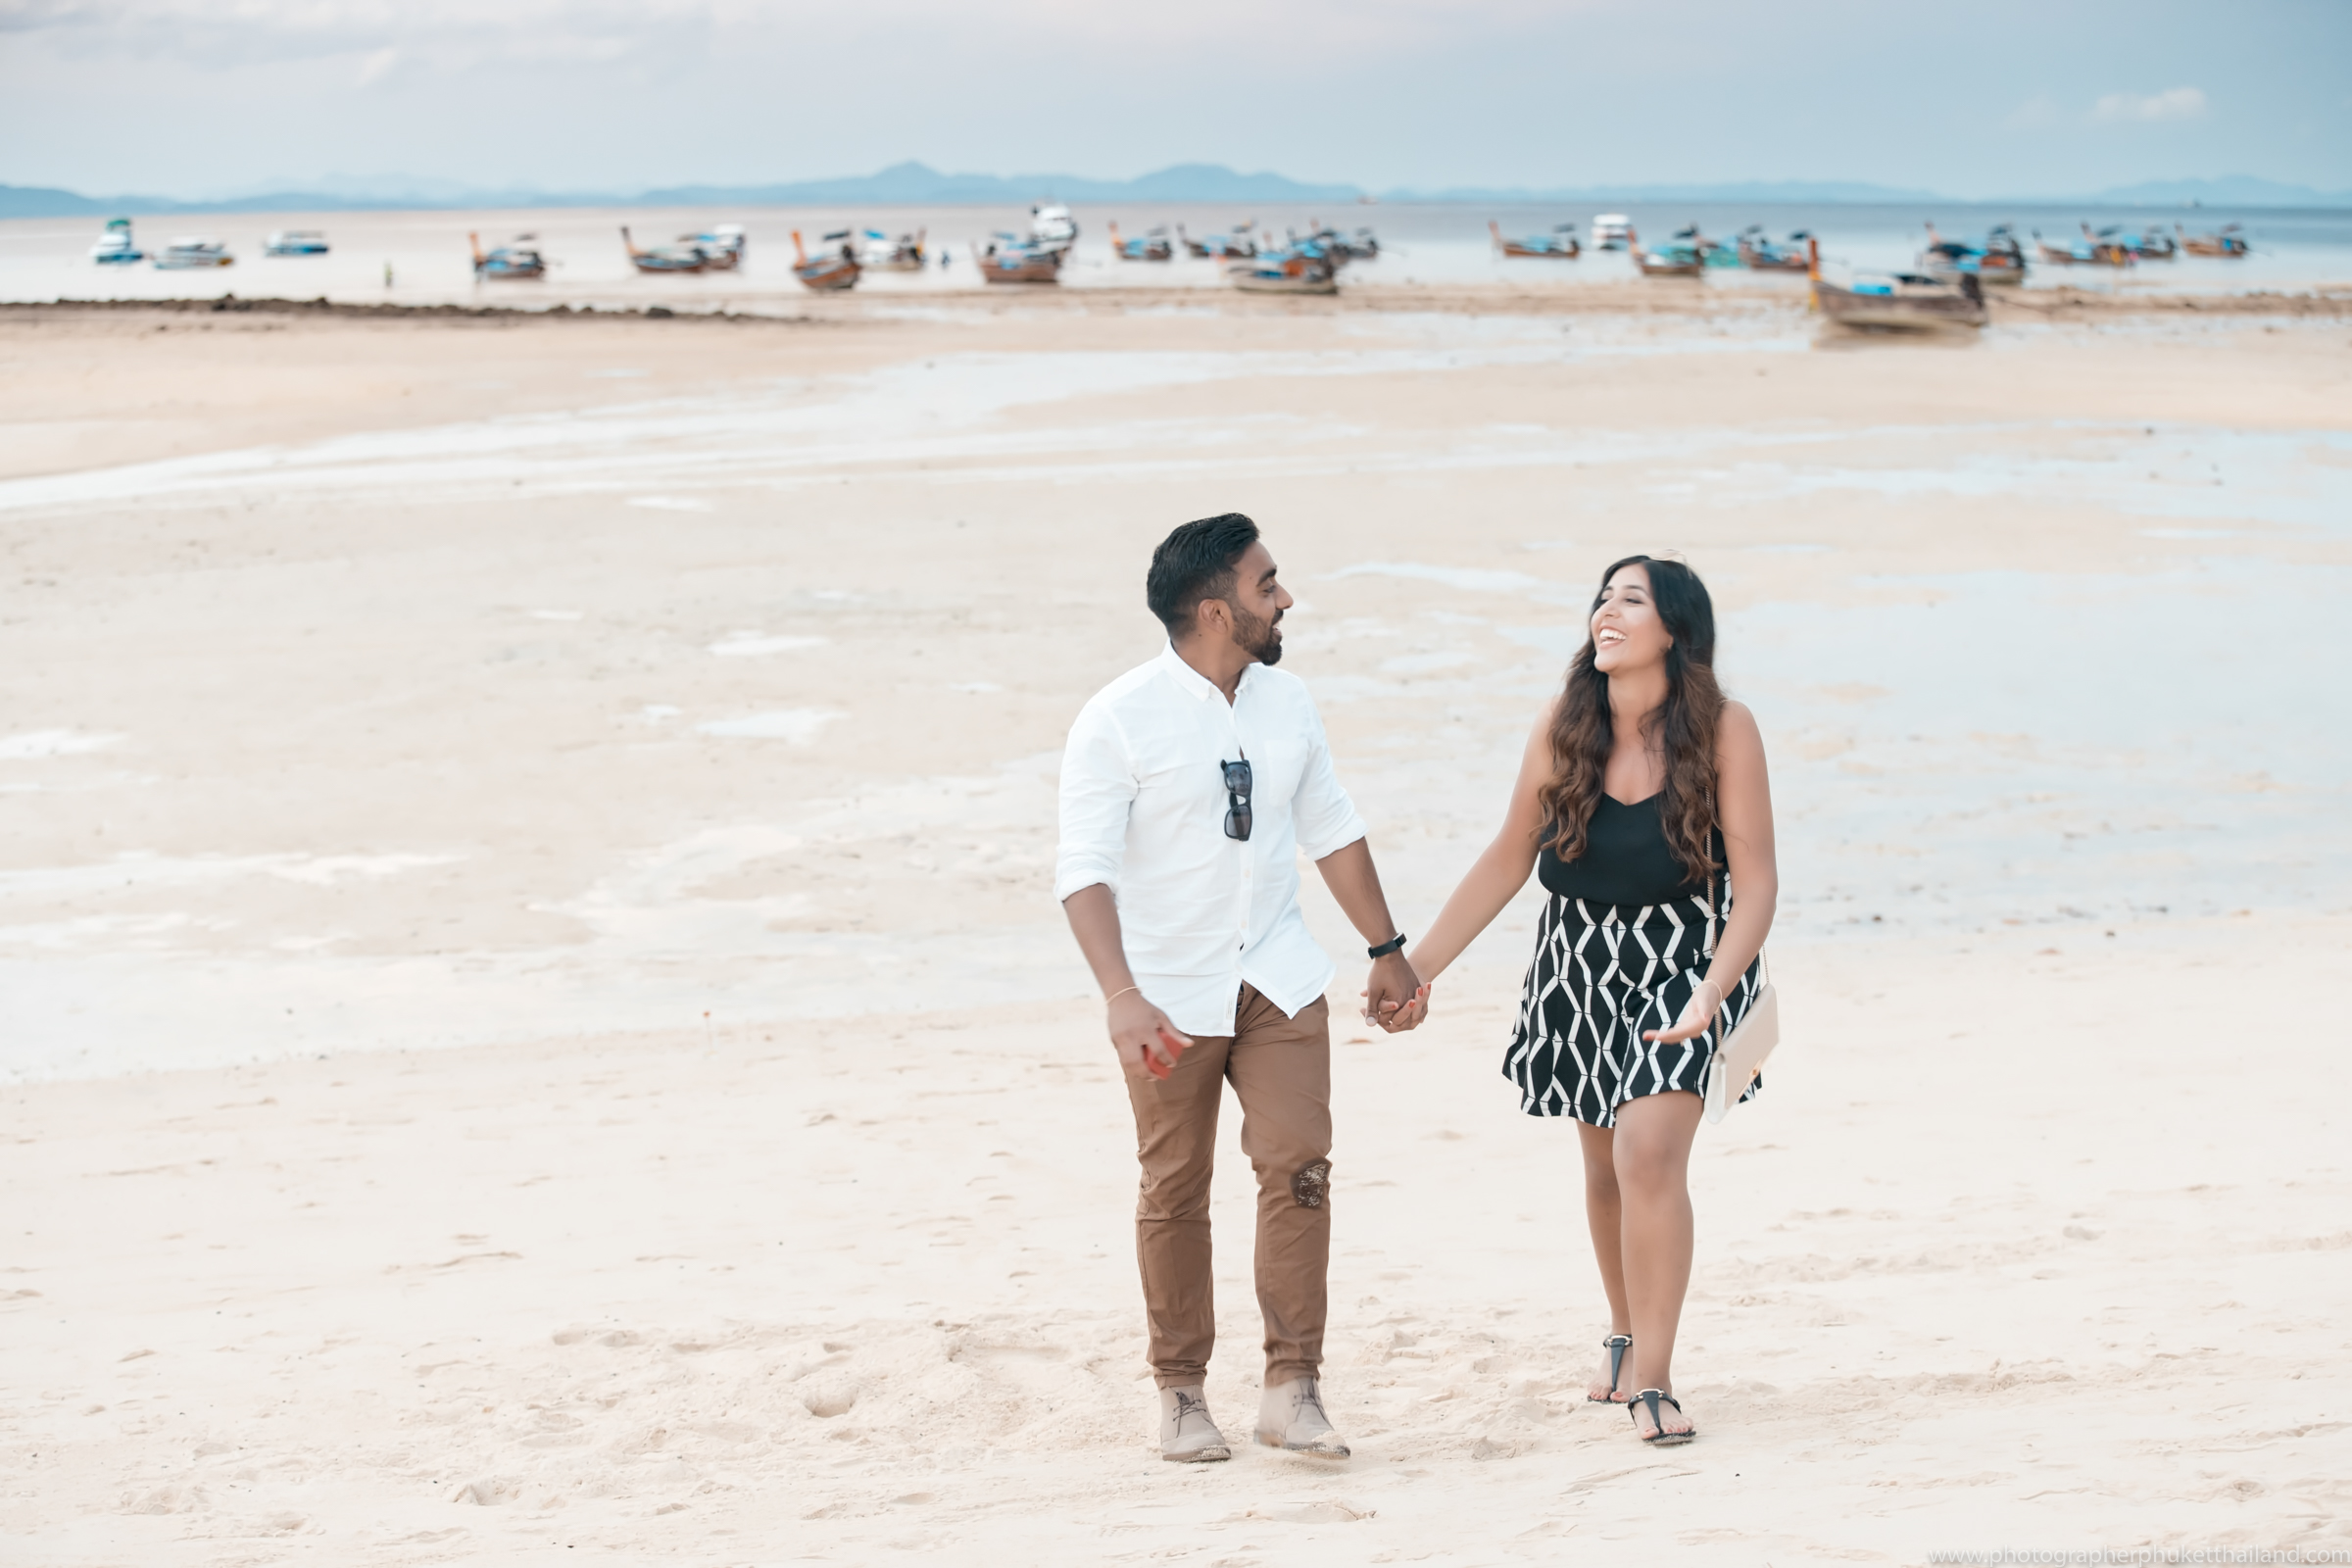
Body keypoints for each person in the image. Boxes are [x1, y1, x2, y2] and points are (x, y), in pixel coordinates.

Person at [1383, 554, 1775, 1446]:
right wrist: (1416, 966)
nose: (1606, 611)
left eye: (1630, 600)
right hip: (1579, 962)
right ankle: (1624, 1331)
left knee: (1646, 1157)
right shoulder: (1566, 723)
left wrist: (1716, 992)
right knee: (1603, 1169)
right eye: (1601, 597)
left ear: (1675, 629)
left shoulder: (1726, 730)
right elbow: (1508, 857)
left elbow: (1756, 886)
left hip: (1688, 964)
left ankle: (1655, 1379)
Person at [1056, 513, 1424, 1464]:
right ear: (1217, 610)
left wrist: (1386, 945)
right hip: (1169, 991)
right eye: (1269, 585)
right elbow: (1083, 871)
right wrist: (1119, 995)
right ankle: (1181, 1392)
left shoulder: (1287, 701)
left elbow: (1333, 828)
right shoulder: (1117, 718)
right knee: (1174, 1185)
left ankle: (1291, 1384)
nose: (1286, 597)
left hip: (1278, 974)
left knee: (1300, 1165)